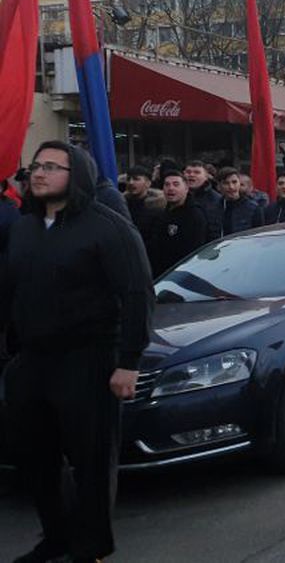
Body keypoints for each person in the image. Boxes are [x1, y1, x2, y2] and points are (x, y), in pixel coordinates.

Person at [1, 141, 153, 563]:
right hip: (32, 360)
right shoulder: (24, 226)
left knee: (90, 462)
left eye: (52, 166)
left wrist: (128, 363)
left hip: (89, 359)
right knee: (35, 457)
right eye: (36, 165)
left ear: (78, 175)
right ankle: (56, 537)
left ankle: (90, 548)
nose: (39, 173)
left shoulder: (107, 226)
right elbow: (8, 290)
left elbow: (138, 294)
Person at [147, 171, 209, 277]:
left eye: (176, 184)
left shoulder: (195, 215)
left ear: (186, 188)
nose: (170, 188)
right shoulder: (161, 213)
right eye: (167, 184)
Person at [216, 168, 265, 236]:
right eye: (226, 183)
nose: (231, 187)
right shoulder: (214, 207)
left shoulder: (253, 208)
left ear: (239, 183)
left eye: (234, 182)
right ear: (219, 186)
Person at [124, 165, 165, 244]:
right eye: (128, 179)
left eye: (136, 179)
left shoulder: (157, 207)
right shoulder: (121, 204)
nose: (131, 183)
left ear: (148, 183)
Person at [184, 160, 223, 241]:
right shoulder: (177, 196)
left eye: (197, 172)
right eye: (188, 172)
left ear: (206, 176)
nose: (191, 175)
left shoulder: (216, 199)